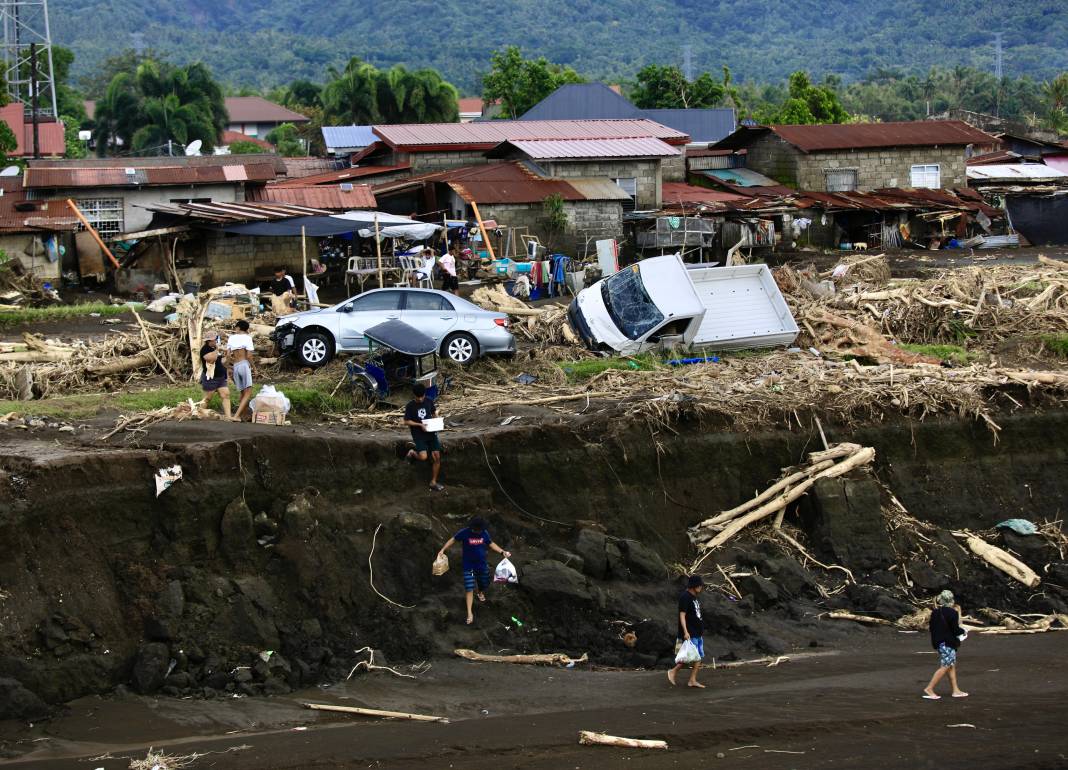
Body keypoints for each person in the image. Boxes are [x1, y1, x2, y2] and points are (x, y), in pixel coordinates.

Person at [436, 516, 511, 625]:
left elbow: (490, 543)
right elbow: (453, 539)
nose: (477, 531)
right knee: (469, 587)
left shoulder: (484, 533)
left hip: (481, 565)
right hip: (468, 566)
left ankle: (480, 592)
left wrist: (502, 552)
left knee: (484, 583)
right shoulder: (464, 532)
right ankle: (470, 613)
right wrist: (443, 549)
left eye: (478, 530)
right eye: (475, 529)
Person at [923, 589, 968, 699]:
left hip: (938, 642)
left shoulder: (935, 612)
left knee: (951, 665)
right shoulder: (952, 613)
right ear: (951, 600)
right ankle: (929, 688)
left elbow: (933, 628)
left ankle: (955, 690)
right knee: (945, 666)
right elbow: (956, 630)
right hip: (948, 642)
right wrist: (964, 631)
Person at [403, 382, 443, 491]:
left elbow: (434, 413)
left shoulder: (429, 401)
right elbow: (406, 422)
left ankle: (433, 482)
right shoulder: (410, 406)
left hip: (430, 431)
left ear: (425, 394)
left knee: (436, 456)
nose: (420, 399)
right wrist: (420, 425)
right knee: (423, 457)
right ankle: (412, 452)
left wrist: (437, 420)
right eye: (418, 397)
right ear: (414, 395)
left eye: (422, 396)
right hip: (418, 434)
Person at [668, 574, 706, 688]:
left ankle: (692, 680)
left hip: (697, 632)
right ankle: (673, 671)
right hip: (690, 632)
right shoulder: (685, 597)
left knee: (698, 656)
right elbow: (682, 615)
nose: (701, 588)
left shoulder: (694, 597)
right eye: (699, 585)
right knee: (688, 656)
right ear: (694, 586)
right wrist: (685, 632)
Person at [227, 320, 256, 421]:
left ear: (238, 328)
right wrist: (255, 368)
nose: (235, 329)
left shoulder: (231, 338)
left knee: (243, 393)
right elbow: (249, 356)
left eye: (236, 327)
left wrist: (228, 368)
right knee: (248, 393)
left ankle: (243, 416)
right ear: (247, 329)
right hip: (244, 365)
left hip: (235, 366)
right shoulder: (248, 338)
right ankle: (236, 416)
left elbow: (227, 355)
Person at [199, 333, 232, 420]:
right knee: (207, 399)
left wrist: (228, 357)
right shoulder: (204, 349)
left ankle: (228, 417)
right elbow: (211, 360)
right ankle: (199, 413)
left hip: (221, 377)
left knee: (225, 395)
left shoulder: (214, 348)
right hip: (211, 378)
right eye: (214, 340)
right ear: (209, 341)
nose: (216, 341)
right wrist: (217, 350)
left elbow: (222, 362)